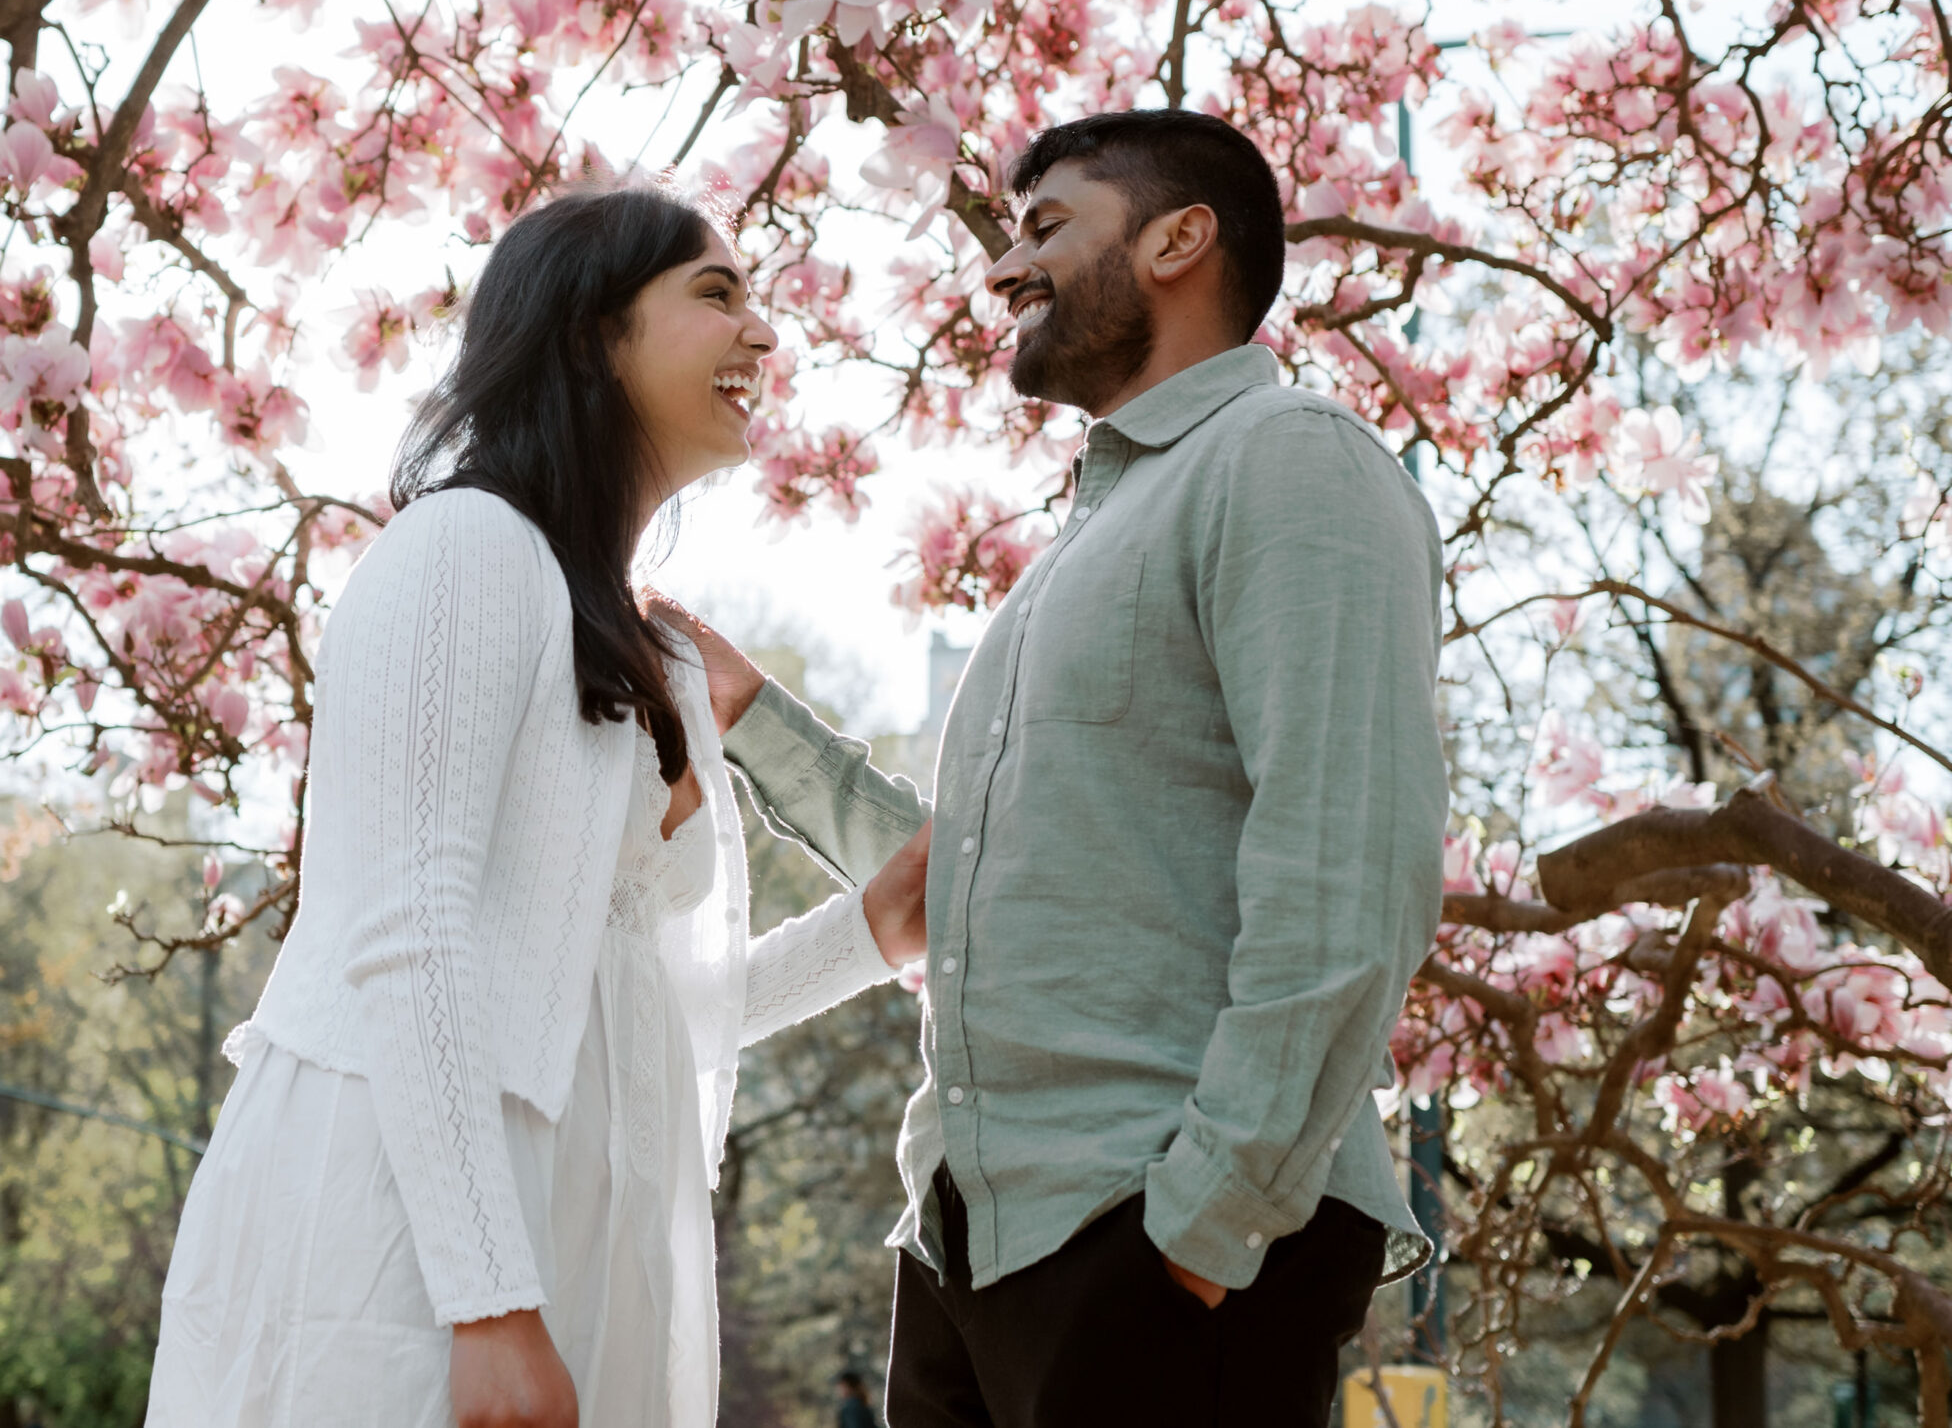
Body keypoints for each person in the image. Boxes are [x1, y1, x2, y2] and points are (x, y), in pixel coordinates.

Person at [668, 109, 1448, 1428]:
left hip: (1158, 1229)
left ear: (1177, 239)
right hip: (972, 1245)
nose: (1002, 266)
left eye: (1045, 226)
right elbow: (965, 890)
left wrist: (1212, 1221)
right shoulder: (1078, 554)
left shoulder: (1290, 462)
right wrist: (752, 718)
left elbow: (1347, 871)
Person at [144, 185, 931, 1428]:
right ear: (588, 335)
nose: (764, 334)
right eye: (715, 293)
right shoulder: (463, 548)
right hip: (412, 1221)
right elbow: (406, 926)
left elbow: (628, 996)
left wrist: (868, 933)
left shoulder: (648, 645)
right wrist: (489, 1304)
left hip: (576, 1211)